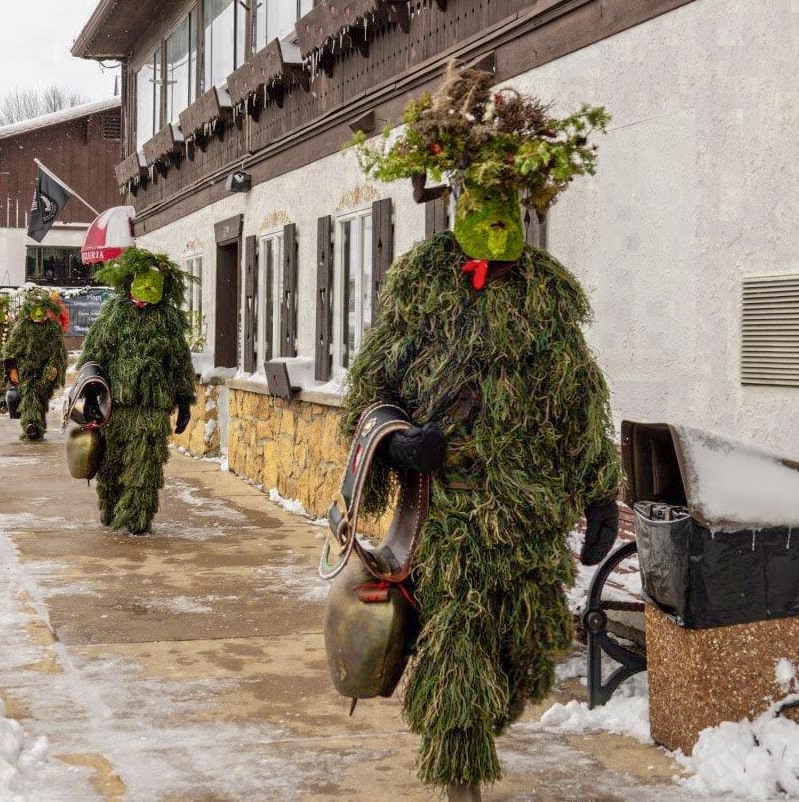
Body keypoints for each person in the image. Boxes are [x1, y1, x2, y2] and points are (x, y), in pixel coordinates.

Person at [343, 64, 622, 801]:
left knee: (522, 651)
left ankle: (471, 732)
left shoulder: (547, 292)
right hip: (454, 509)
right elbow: (372, 385)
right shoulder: (422, 283)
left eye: (511, 212)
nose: (500, 227)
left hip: (530, 514)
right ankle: (458, 775)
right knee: (459, 646)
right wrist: (398, 440)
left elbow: (579, 398)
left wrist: (599, 492)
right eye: (484, 210)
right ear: (459, 204)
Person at [78, 248, 195, 535]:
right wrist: (91, 394)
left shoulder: (167, 320)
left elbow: (179, 363)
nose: (144, 296)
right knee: (113, 460)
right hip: (117, 405)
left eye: (151, 290)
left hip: (153, 405)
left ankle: (137, 518)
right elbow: (93, 355)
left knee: (146, 462)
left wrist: (183, 399)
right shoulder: (114, 315)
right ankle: (111, 505)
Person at [3, 288, 68, 441]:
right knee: (30, 396)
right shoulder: (23, 326)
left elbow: (58, 351)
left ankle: (38, 426)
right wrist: (11, 366)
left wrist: (54, 367)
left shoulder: (52, 328)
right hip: (26, 369)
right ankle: (30, 424)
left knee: (41, 398)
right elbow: (11, 346)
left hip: (45, 370)